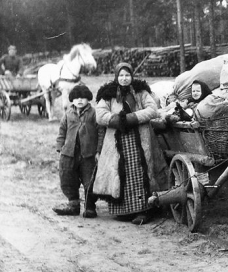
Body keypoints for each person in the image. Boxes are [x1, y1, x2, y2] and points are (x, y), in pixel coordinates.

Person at [92, 63, 168, 225]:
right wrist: (117, 120)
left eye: (127, 75)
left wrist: (132, 118)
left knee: (140, 172)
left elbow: (152, 109)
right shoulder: (109, 94)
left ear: (132, 76)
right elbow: (100, 115)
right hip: (117, 141)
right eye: (121, 76)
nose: (124, 79)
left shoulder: (141, 92)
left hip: (140, 139)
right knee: (120, 173)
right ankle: (124, 211)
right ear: (116, 77)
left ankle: (144, 210)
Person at [52, 84, 103, 217]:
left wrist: (98, 150)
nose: (79, 100)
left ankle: (90, 206)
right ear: (72, 100)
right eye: (76, 98)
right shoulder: (68, 114)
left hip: (88, 154)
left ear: (88, 99)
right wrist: (60, 147)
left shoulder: (94, 113)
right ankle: (73, 205)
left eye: (83, 98)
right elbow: (62, 131)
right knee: (68, 177)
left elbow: (100, 132)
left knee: (90, 179)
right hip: (69, 153)